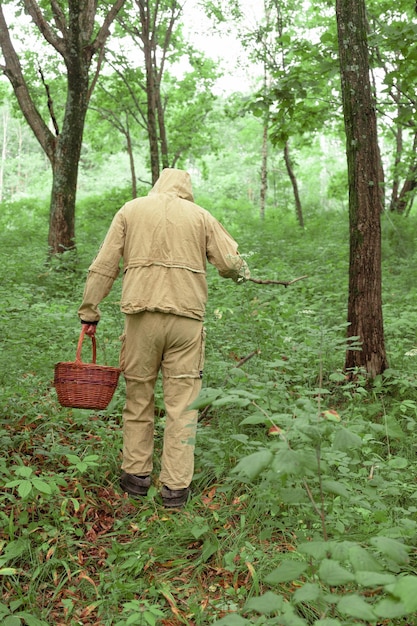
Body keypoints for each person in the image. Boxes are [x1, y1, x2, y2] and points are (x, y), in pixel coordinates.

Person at [78, 168, 249, 508]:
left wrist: (89, 310)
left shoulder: (131, 209)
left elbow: (105, 264)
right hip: (186, 322)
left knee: (138, 397)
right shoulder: (201, 216)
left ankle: (136, 477)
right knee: (183, 405)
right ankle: (174, 490)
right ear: (187, 190)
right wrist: (242, 274)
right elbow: (230, 263)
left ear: (158, 185)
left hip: (141, 319)